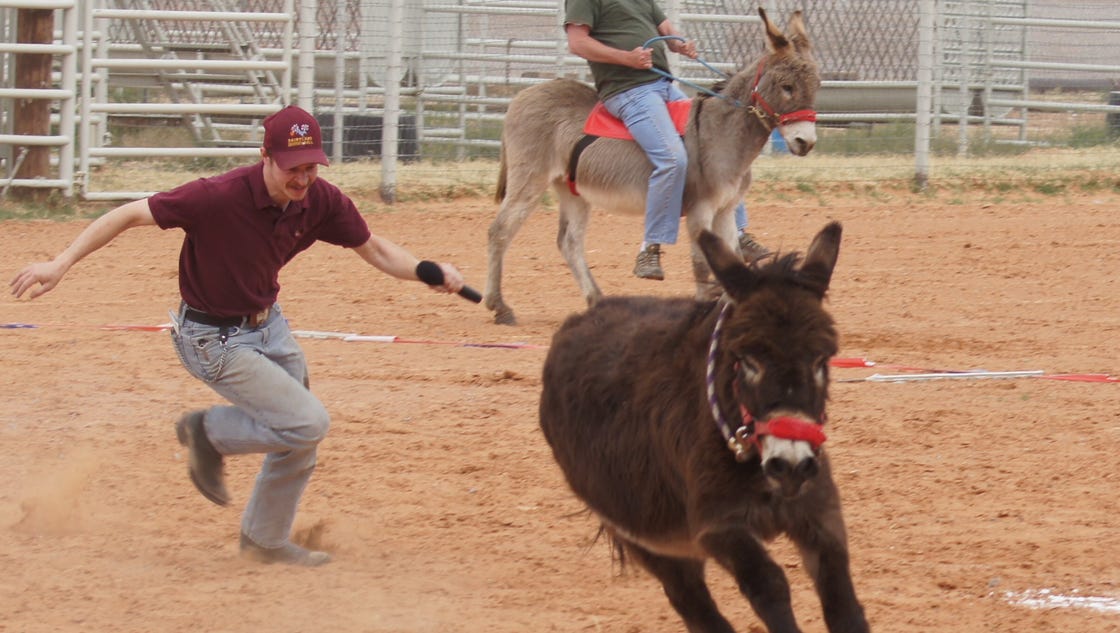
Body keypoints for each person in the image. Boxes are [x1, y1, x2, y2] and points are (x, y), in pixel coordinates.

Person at [9, 105, 467, 567]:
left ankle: (264, 541)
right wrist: (60, 262)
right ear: (265, 156)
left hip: (269, 325)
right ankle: (205, 432)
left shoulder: (320, 200)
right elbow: (129, 214)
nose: (303, 179)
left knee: (298, 434)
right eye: (294, 169)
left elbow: (375, 248)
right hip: (212, 339)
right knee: (308, 422)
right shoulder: (217, 196)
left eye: (311, 167)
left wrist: (426, 271)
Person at [564, 0, 698, 281]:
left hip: (663, 86)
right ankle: (650, 248)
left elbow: (665, 30)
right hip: (629, 90)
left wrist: (680, 43)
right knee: (672, 157)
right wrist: (626, 58)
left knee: (712, 146)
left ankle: (738, 233)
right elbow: (577, 43)